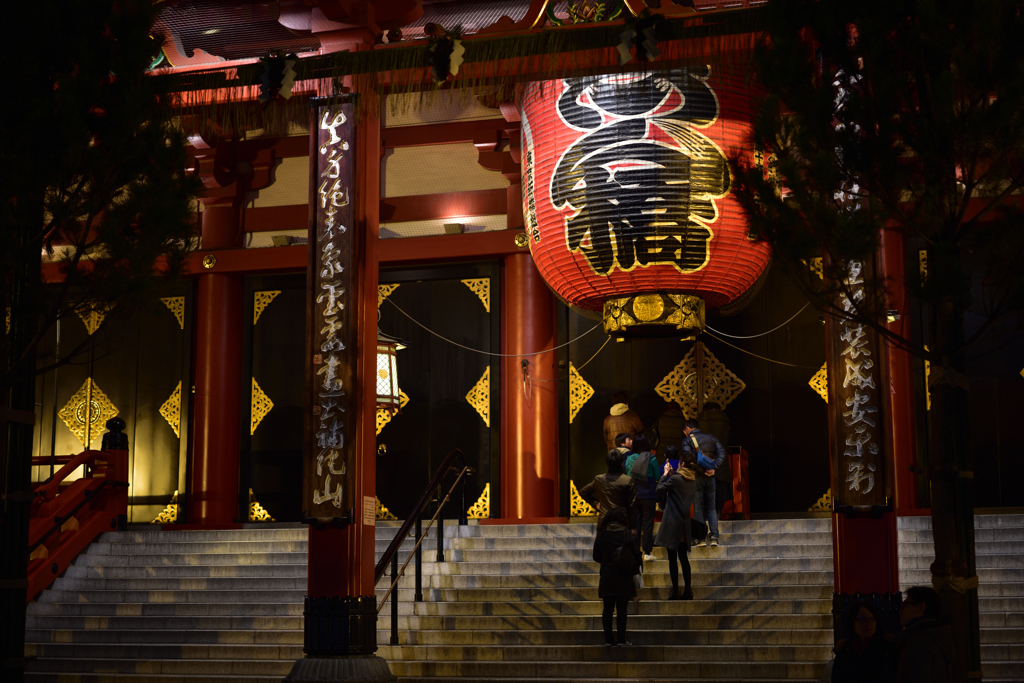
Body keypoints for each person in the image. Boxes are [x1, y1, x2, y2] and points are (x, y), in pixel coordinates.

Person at [592, 506, 641, 646]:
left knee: (607, 608)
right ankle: (621, 639)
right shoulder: (626, 534)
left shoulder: (601, 534)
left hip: (607, 575)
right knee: (622, 609)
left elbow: (596, 556)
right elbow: (636, 554)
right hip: (623, 575)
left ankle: (608, 640)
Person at [654, 446, 696, 600]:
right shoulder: (693, 481)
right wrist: (672, 475)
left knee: (672, 559)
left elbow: (659, 490)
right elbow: (678, 488)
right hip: (684, 525)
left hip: (672, 523)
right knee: (683, 558)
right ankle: (688, 590)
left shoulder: (675, 479)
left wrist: (665, 474)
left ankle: (675, 591)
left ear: (682, 464)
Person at [894, 586, 955, 683]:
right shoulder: (936, 635)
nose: (900, 611)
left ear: (920, 607)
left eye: (904, 606)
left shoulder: (919, 642)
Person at [681, 419, 726, 547]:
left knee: (698, 507)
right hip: (710, 477)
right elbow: (722, 454)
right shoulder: (712, 438)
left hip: (696, 477)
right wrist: (713, 468)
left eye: (684, 431)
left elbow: (689, 459)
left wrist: (702, 471)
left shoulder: (687, 440)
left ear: (688, 429)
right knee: (711, 508)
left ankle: (701, 539)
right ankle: (714, 538)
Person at [831, 601, 895, 683]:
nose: (867, 624)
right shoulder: (845, 651)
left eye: (871, 618)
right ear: (852, 622)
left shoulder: (887, 649)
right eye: (861, 619)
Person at [578, 449, 639, 534]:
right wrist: (633, 527)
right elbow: (631, 505)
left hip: (604, 521)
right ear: (622, 463)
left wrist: (596, 504)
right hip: (623, 522)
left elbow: (583, 492)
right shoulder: (628, 480)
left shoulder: (599, 479)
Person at [624, 433, 659, 562]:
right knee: (648, 524)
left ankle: (635, 551)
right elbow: (656, 477)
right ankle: (647, 552)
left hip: (634, 495)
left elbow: (628, 475)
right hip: (649, 495)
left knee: (636, 524)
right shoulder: (652, 458)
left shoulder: (629, 459)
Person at [697, 401, 733, 520]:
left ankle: (705, 515)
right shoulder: (724, 420)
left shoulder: (699, 420)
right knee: (721, 485)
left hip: (703, 457)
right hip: (719, 457)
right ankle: (718, 513)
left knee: (703, 486)